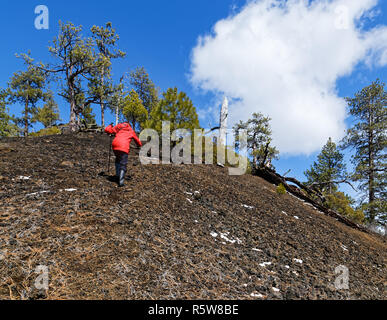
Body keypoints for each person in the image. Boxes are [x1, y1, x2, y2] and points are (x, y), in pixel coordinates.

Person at [105, 122, 142, 187]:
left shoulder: (119, 127)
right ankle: (121, 181)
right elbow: (137, 140)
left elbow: (107, 130)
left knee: (118, 159)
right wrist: (139, 145)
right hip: (123, 147)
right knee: (123, 163)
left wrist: (110, 125)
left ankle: (117, 175)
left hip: (115, 145)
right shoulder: (131, 130)